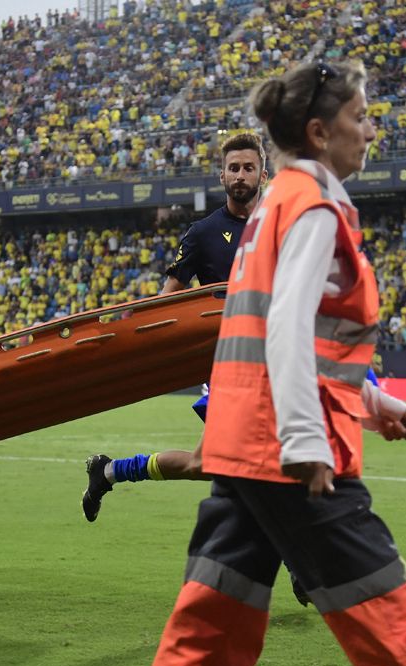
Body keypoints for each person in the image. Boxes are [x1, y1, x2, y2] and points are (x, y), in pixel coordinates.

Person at [151, 62, 406, 666]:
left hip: (241, 442)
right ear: (320, 132)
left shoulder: (275, 205)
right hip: (286, 454)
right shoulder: (315, 206)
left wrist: (373, 403)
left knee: (209, 632)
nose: (370, 130)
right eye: (361, 116)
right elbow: (287, 327)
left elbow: (290, 333)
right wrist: (303, 440)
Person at [81, 132, 269, 522]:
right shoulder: (202, 233)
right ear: (221, 176)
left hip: (276, 364)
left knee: (208, 465)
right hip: (230, 367)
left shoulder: (283, 228)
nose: (240, 175)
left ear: (263, 175)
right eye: (233, 168)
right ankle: (300, 565)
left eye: (248, 168)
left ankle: (110, 471)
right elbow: (167, 301)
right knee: (274, 465)